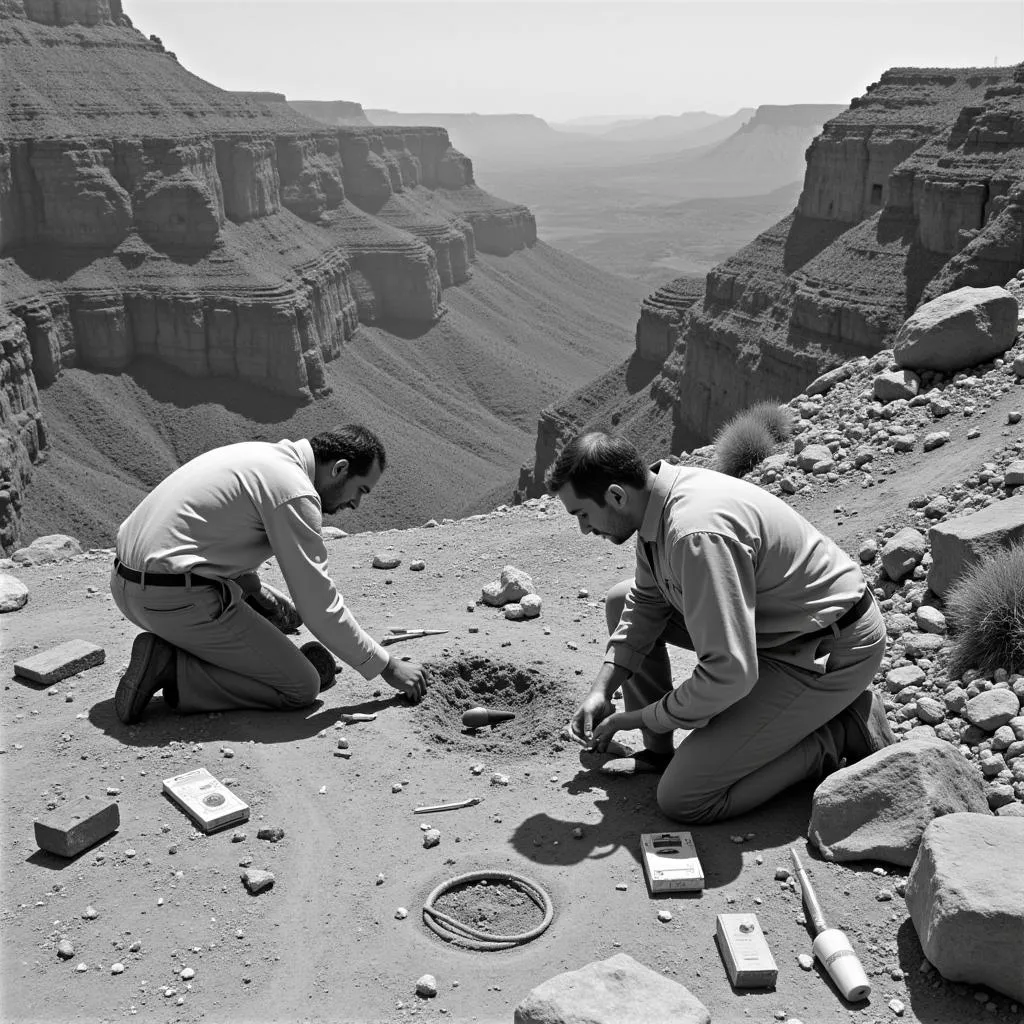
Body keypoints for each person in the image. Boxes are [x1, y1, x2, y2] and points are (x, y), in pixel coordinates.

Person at [546, 431, 894, 825]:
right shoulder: (655, 504)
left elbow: (729, 673)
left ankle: (837, 731)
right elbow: (646, 603)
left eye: (582, 514)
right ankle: (658, 754)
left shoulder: (695, 534)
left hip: (829, 650)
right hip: (774, 631)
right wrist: (601, 690)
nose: (584, 530)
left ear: (616, 495)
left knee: (684, 798)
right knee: (619, 598)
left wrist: (642, 716)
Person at [110, 425, 429, 723]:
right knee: (302, 685)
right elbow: (319, 606)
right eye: (360, 490)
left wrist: (251, 584)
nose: (356, 503)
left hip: (128, 586)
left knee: (277, 613)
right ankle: (175, 669)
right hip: (172, 601)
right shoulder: (294, 492)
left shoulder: (265, 457)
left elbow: (212, 532)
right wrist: (387, 666)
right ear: (340, 468)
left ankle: (221, 641)